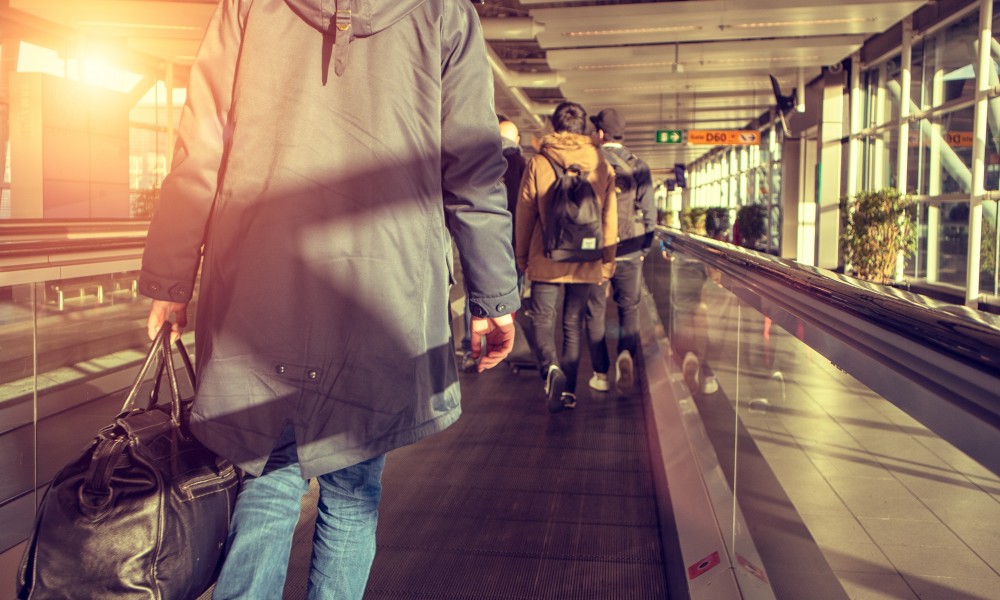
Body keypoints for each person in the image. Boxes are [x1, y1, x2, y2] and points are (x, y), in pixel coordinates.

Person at [138, 1, 519, 598]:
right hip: (383, 289)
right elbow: (471, 166)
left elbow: (202, 144)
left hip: (258, 283)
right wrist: (493, 296)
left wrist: (171, 278)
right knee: (351, 490)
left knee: (265, 482)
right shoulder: (445, 11)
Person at [515, 101, 617, 413]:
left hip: (546, 257)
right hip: (586, 259)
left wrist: (522, 256)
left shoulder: (539, 163)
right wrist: (607, 262)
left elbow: (525, 213)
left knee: (542, 319)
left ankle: (550, 369)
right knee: (573, 323)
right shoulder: (601, 165)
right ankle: (568, 392)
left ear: (554, 126)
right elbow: (609, 218)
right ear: (584, 128)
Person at [584, 108, 657, 395]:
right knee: (629, 307)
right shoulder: (638, 165)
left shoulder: (592, 162)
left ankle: (600, 374)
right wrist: (643, 248)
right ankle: (626, 354)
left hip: (596, 250)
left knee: (595, 311)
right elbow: (650, 213)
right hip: (629, 248)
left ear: (601, 134)